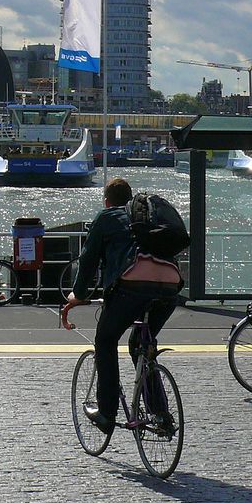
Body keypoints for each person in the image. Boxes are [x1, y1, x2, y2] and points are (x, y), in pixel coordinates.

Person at [63, 177, 183, 434]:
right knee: (142, 346)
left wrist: (79, 295)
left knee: (106, 340)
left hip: (131, 290)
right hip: (170, 288)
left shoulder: (106, 218)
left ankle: (106, 413)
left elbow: (88, 261)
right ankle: (160, 413)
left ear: (107, 201)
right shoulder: (147, 218)